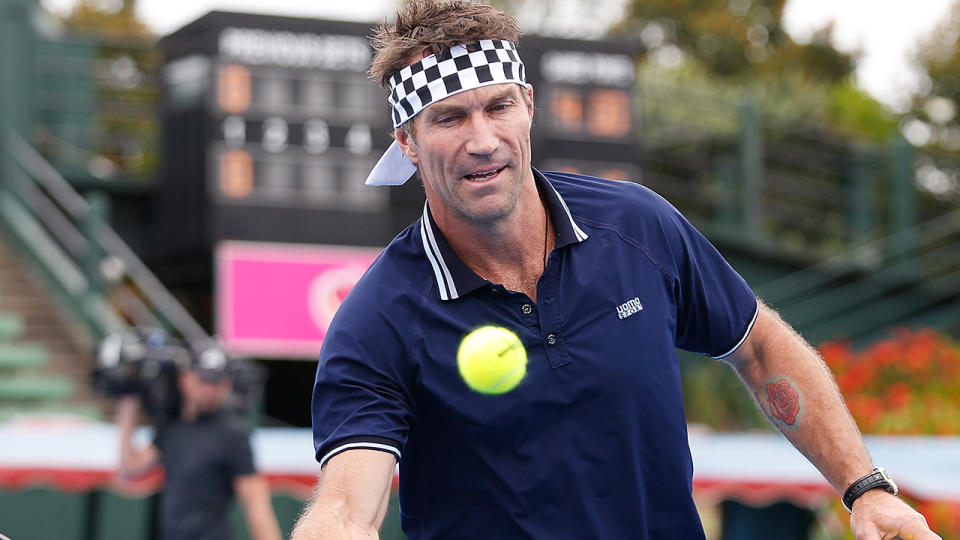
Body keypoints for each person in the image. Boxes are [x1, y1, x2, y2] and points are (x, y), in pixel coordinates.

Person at [292, 1, 941, 538]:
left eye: (498, 107)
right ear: (406, 141)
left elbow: (763, 348)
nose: (482, 140)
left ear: (529, 105)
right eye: (449, 117)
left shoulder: (638, 226)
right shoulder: (376, 318)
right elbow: (348, 504)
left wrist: (864, 489)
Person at [116, 345, 282, 540]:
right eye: (203, 380)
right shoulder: (172, 427)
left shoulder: (232, 434)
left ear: (227, 385)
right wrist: (129, 405)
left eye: (216, 382)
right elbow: (130, 468)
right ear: (185, 379)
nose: (208, 389)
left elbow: (256, 502)